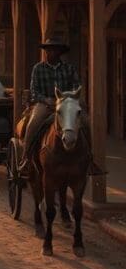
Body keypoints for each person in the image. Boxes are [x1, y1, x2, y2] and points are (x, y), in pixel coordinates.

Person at [18, 38, 102, 175]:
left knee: (87, 122)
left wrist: (69, 98)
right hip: (45, 104)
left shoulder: (69, 68)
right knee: (33, 123)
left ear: (59, 53)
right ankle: (26, 159)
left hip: (67, 103)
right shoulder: (38, 68)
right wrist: (46, 99)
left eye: (53, 50)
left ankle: (90, 160)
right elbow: (34, 91)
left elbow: (77, 86)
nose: (49, 52)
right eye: (47, 50)